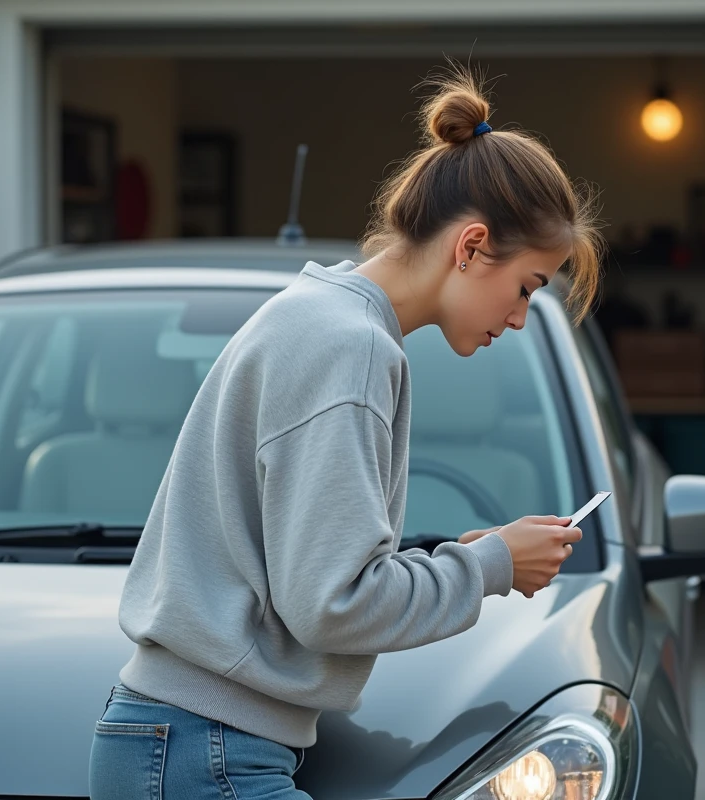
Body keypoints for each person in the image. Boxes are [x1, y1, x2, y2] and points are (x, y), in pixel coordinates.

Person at [88, 65, 604, 799]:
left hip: (193, 744)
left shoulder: (325, 316)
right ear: (471, 246)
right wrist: (489, 566)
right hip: (208, 753)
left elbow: (299, 571)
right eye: (525, 287)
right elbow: (333, 604)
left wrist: (451, 557)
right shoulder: (351, 347)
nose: (519, 318)